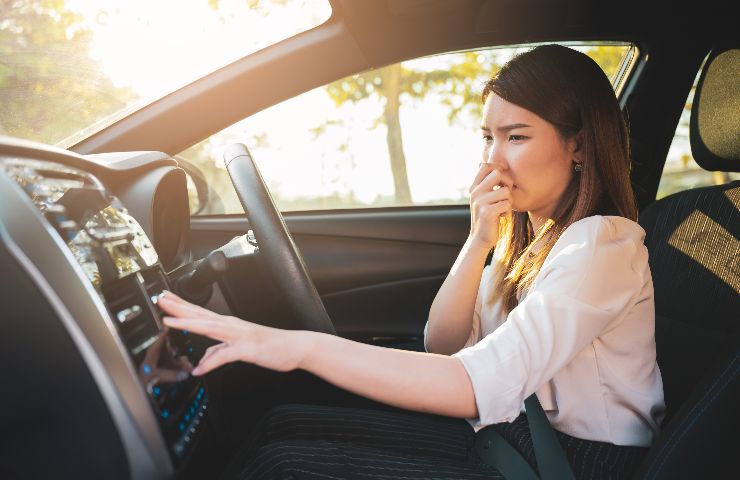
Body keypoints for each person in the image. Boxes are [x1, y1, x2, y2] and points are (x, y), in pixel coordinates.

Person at [159, 44, 665, 479]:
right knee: (281, 425)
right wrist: (479, 241)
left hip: (570, 463)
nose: (493, 161)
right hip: (512, 438)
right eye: (487, 137)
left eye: (516, 136)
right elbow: (442, 345)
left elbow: (473, 384)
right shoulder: (535, 238)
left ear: (578, 145)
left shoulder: (600, 244)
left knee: (285, 464)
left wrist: (299, 348)